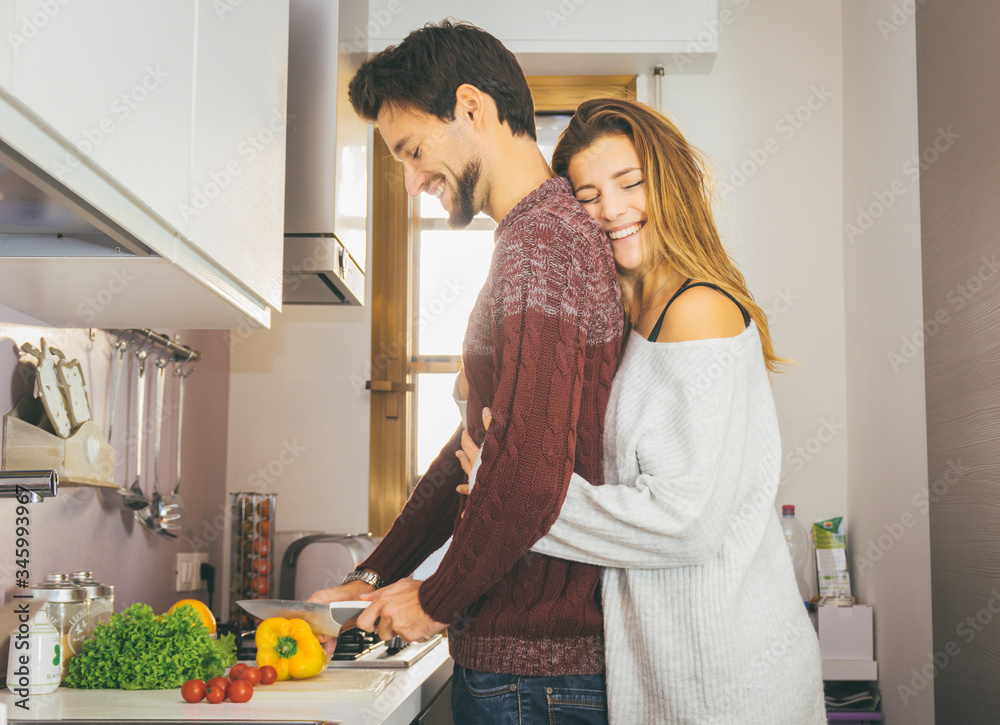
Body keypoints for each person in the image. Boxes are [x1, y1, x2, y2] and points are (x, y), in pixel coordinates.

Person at [457, 98, 827, 724]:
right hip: (662, 667)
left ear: (670, 184)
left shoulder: (698, 310)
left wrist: (518, 496)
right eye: (588, 194)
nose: (612, 210)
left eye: (631, 184)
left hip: (728, 674)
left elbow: (685, 522)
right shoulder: (630, 320)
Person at [307, 21, 623, 725]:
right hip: (525, 667)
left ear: (473, 109)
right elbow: (473, 447)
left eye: (414, 151)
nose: (414, 182)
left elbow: (531, 470)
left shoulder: (542, 241)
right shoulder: (528, 239)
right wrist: (376, 573)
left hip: (535, 672)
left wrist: (434, 597)